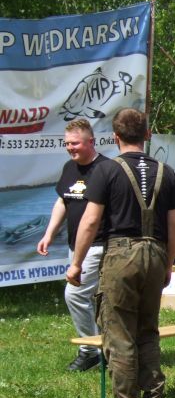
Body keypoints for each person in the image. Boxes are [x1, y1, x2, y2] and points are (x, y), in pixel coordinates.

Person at [67, 108, 175, 398]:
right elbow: (174, 225)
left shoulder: (106, 170)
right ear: (147, 134)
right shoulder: (166, 172)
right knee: (147, 329)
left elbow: (90, 221)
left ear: (115, 137)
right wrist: (168, 264)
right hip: (156, 252)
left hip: (120, 254)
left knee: (118, 330)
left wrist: (76, 264)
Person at [37, 119, 108, 372]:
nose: (70, 148)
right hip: (75, 246)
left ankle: (90, 350)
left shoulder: (106, 169)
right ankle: (105, 348)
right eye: (67, 144)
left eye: (75, 143)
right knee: (90, 298)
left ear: (91, 141)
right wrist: (49, 234)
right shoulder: (69, 168)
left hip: (98, 245)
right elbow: (63, 202)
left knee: (75, 294)